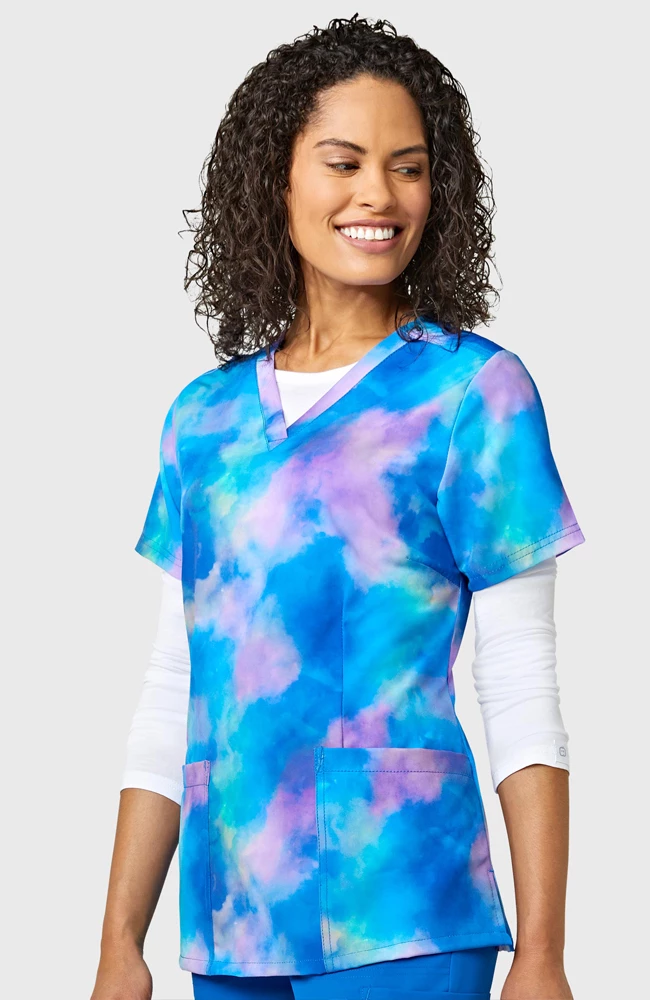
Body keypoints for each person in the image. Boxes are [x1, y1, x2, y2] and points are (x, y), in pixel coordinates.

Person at [91, 16, 585, 1000]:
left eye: (408, 168)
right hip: (230, 924)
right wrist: (118, 941)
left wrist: (542, 953)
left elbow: (520, 678)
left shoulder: (473, 395)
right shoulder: (203, 420)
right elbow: (176, 685)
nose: (379, 196)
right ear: (274, 182)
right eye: (344, 162)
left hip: (403, 912)